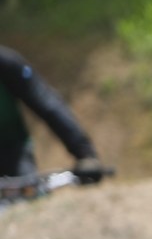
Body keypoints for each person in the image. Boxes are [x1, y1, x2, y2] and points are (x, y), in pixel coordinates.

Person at [1, 44, 108, 183]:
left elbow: (47, 104)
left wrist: (85, 154)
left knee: (26, 189)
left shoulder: (6, 63)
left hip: (12, 151)